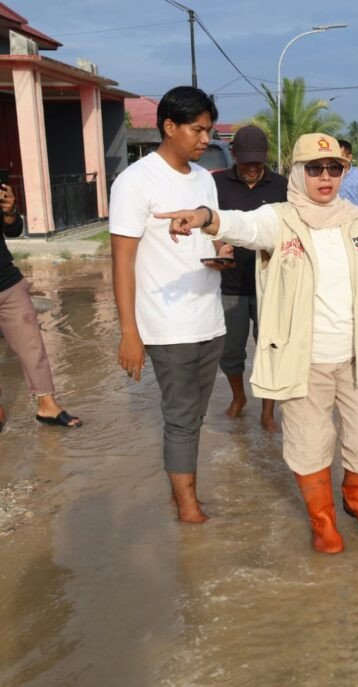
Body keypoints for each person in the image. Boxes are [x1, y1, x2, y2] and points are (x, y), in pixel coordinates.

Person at [159, 134, 358, 554]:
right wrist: (205, 217)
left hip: (356, 354)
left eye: (333, 168)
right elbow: (242, 224)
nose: (324, 177)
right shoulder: (279, 219)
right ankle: (322, 519)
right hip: (303, 359)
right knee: (309, 443)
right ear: (298, 173)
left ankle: (356, 497)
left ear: (343, 173)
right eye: (314, 168)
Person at [109, 86, 226, 524]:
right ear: (169, 126)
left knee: (193, 416)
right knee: (180, 417)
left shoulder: (202, 180)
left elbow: (213, 238)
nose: (204, 139)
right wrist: (129, 333)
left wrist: (223, 254)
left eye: (208, 130)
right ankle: (188, 506)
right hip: (166, 324)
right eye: (197, 129)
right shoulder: (134, 182)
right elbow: (122, 260)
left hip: (209, 319)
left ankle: (183, 491)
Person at [212, 125, 288, 432]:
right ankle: (239, 397)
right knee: (230, 350)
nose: (253, 169)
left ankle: (268, 412)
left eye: (257, 162)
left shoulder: (282, 187)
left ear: (266, 156)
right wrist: (217, 246)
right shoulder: (215, 184)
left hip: (271, 283)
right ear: (234, 155)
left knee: (270, 348)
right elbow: (207, 225)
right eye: (246, 163)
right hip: (230, 283)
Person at [0, 184, 82, 433]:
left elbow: (12, 230)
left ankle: (47, 405)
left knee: (32, 345)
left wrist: (10, 211)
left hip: (7, 281)